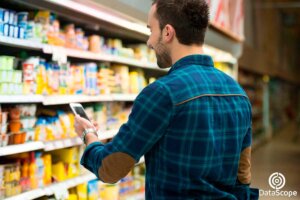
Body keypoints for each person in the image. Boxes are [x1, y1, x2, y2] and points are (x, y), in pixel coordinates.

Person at [74, 0, 259, 199]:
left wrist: (88, 135)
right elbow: (243, 175)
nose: (149, 41)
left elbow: (110, 168)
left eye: (151, 30)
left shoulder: (161, 93)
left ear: (167, 32)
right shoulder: (238, 94)